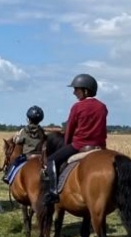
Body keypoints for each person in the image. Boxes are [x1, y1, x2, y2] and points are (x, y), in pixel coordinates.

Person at [41, 73, 108, 205]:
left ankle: (53, 192)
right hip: (100, 147)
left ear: (85, 90)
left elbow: (70, 128)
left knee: (51, 160)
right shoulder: (102, 107)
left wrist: (66, 144)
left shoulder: (77, 107)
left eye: (76, 89)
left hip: (80, 145)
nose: (74, 92)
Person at [1, 105, 46, 184]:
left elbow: (18, 141)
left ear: (28, 119)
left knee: (15, 163)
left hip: (27, 156)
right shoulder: (41, 131)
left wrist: (16, 137)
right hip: (40, 156)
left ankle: (8, 176)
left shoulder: (24, 131)